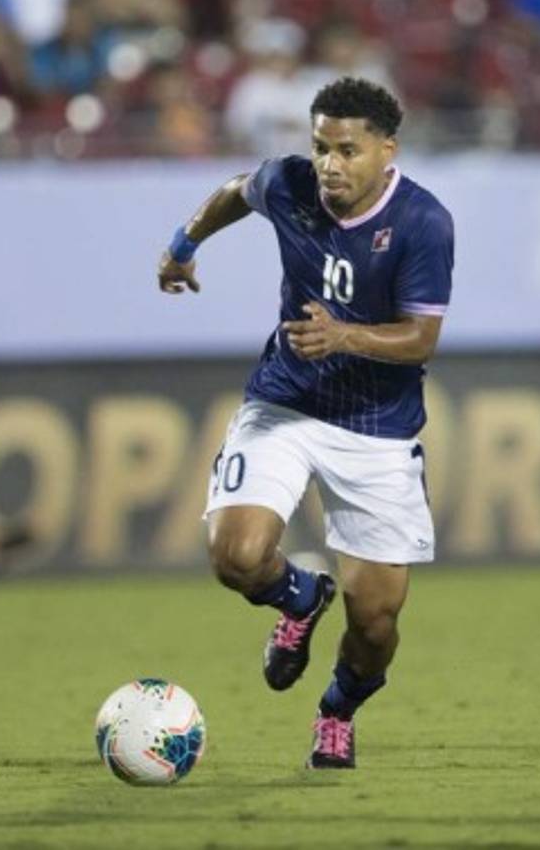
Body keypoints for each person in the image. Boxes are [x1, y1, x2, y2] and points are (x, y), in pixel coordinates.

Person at [156, 77, 454, 769]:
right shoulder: (289, 184)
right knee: (234, 556)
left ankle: (337, 709)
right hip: (284, 403)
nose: (329, 164)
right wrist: (182, 242)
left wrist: (345, 337)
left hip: (378, 429)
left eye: (346, 150)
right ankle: (298, 595)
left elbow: (421, 339)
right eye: (320, 146)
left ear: (386, 152)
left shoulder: (422, 223)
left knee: (376, 623)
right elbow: (238, 188)